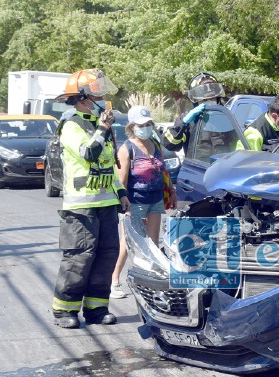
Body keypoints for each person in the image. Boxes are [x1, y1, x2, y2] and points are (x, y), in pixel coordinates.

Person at [50, 69, 130, 328]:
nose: (103, 98)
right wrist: (104, 128)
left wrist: (121, 193)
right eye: (97, 93)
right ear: (83, 98)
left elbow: (107, 165)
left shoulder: (99, 125)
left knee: (107, 255)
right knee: (79, 257)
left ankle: (96, 309)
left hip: (106, 204)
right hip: (81, 206)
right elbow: (90, 153)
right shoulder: (71, 124)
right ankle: (65, 310)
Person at [111, 106, 176, 298]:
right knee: (128, 243)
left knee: (153, 244)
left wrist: (171, 191)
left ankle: (151, 282)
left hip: (155, 199)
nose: (145, 128)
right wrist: (125, 207)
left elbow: (164, 172)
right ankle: (114, 280)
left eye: (148, 124)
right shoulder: (126, 149)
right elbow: (121, 181)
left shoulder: (155, 144)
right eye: (141, 125)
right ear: (132, 126)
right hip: (135, 201)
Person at [163, 72, 226, 154]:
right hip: (198, 166)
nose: (209, 101)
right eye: (205, 99)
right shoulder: (189, 121)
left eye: (212, 98)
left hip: (222, 166)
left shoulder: (225, 118)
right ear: (196, 100)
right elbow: (169, 145)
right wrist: (183, 123)